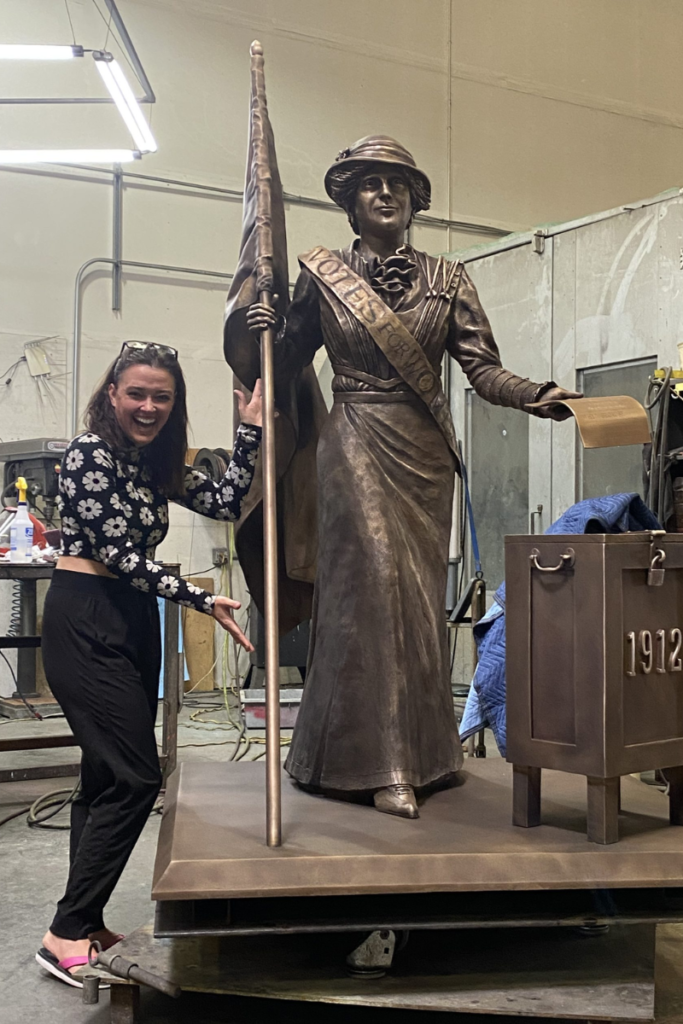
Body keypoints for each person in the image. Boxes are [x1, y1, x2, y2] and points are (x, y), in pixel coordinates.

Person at [246, 136, 579, 819]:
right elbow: (280, 363)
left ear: (414, 199)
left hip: (424, 455)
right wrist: (263, 325)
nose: (385, 193)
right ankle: (379, 765)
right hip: (352, 437)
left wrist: (534, 394)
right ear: (349, 200)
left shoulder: (448, 279)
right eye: (370, 183)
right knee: (370, 592)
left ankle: (427, 754)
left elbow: (481, 368)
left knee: (419, 605)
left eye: (398, 183)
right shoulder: (322, 272)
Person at [36, 341, 262, 987]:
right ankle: (60, 935)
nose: (148, 406)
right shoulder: (89, 455)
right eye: (137, 393)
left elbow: (223, 501)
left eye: (161, 396)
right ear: (112, 393)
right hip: (85, 617)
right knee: (136, 778)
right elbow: (117, 553)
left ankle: (85, 922)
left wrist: (248, 431)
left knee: (104, 782)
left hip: (130, 620)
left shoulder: (154, 461)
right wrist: (199, 597)